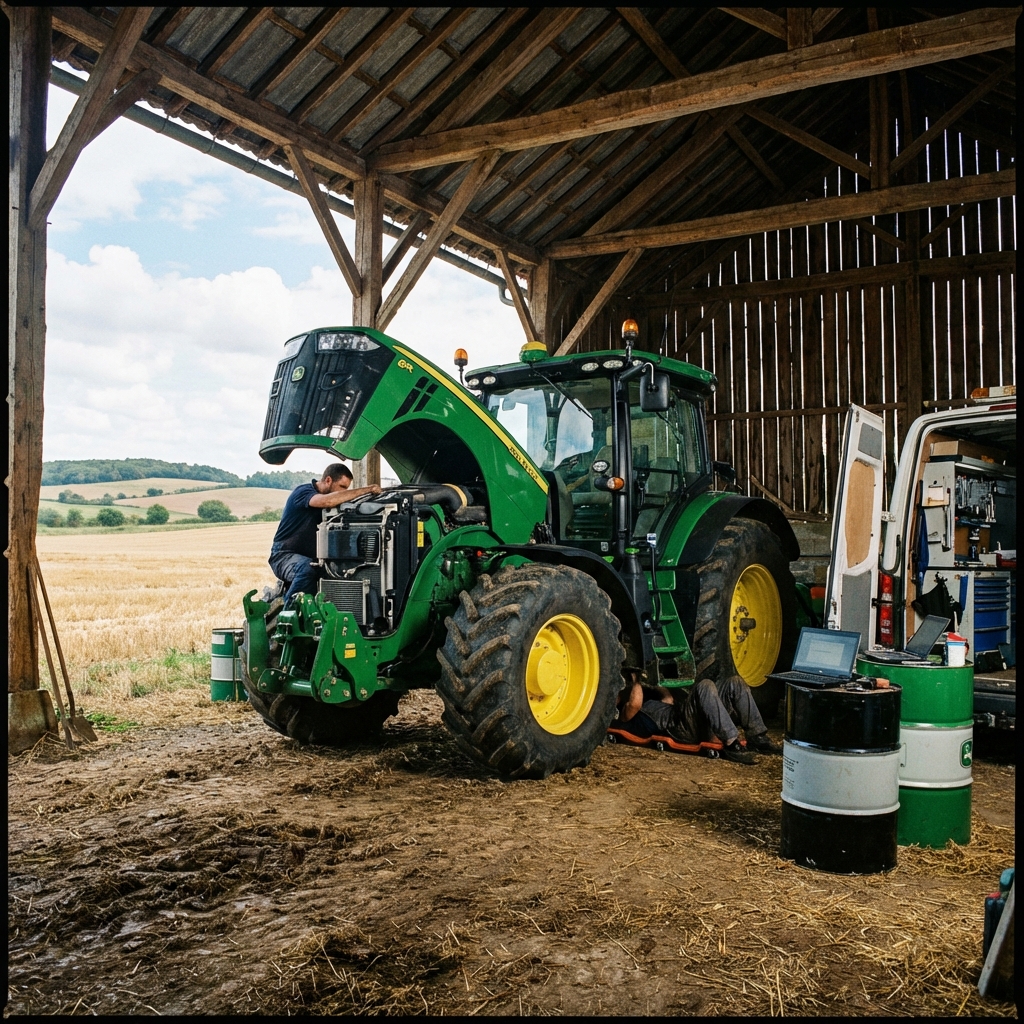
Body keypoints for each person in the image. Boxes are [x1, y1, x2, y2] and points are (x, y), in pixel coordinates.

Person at [269, 463, 382, 604]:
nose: (343, 492)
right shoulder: (303, 492)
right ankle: (287, 617)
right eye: (342, 487)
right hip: (283, 556)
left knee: (340, 575)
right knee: (306, 569)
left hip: (313, 560)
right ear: (328, 480)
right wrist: (368, 489)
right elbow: (328, 501)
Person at [616, 676, 782, 765]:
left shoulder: (649, 702)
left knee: (735, 683)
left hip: (686, 719)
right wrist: (635, 678)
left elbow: (667, 698)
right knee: (705, 686)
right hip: (678, 729)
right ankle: (732, 743)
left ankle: (757, 736)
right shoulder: (621, 716)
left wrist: (652, 677)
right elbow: (635, 703)